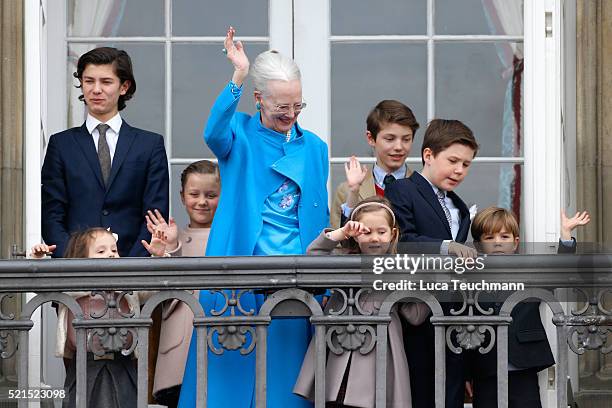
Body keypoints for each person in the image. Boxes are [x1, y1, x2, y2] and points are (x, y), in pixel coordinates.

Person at [178, 27, 329, 408]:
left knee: (287, 388)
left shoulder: (316, 148)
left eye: (297, 106)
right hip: (238, 274)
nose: (290, 114)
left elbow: (316, 212)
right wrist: (238, 76)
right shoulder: (239, 135)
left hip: (297, 279)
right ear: (259, 99)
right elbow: (212, 133)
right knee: (226, 384)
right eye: (282, 107)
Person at [294, 196, 430, 408]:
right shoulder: (342, 261)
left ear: (393, 234)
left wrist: (415, 284)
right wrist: (341, 233)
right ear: (356, 235)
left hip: (381, 355)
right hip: (340, 349)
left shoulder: (401, 268)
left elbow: (415, 316)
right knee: (337, 398)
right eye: (366, 232)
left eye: (381, 232)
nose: (374, 238)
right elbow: (314, 257)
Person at [384, 119, 480, 407]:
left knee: (451, 397)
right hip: (418, 315)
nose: (460, 170)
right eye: (453, 160)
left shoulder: (461, 207)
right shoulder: (401, 190)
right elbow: (401, 242)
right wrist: (446, 247)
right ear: (428, 155)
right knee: (420, 395)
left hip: (456, 318)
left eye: (466, 164)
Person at [41, 46, 169, 258]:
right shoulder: (61, 145)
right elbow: (51, 215)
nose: (96, 89)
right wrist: (74, 262)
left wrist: (129, 268)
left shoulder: (150, 145)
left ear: (124, 87)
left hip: (133, 273)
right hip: (74, 275)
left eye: (106, 82)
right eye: (89, 81)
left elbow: (154, 215)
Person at [465, 207, 590, 408]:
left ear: (515, 243)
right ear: (478, 245)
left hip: (523, 365)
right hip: (485, 367)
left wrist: (566, 236)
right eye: (489, 237)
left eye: (504, 236)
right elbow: (463, 323)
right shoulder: (472, 278)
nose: (497, 242)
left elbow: (558, 272)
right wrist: (464, 372)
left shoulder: (528, 271)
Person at [30, 227, 166, 408]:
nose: (110, 255)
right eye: (101, 251)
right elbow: (41, 285)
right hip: (84, 365)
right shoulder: (70, 284)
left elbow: (157, 286)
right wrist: (38, 261)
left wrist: (159, 258)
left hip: (122, 364)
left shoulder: (129, 284)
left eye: (114, 250)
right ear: (81, 260)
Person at [143, 160, 221, 408]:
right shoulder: (170, 239)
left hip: (223, 345)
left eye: (211, 195)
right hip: (179, 349)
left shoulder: (230, 240)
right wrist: (168, 251)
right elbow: (148, 295)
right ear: (182, 196)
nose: (202, 202)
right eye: (194, 194)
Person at [330, 100, 419, 229]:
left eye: (406, 139)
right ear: (371, 138)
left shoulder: (423, 188)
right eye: (390, 139)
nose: (399, 147)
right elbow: (338, 244)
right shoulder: (346, 191)